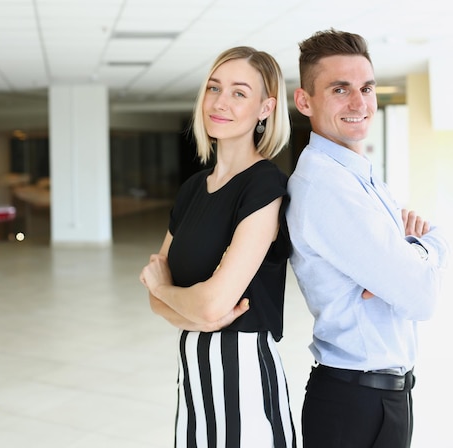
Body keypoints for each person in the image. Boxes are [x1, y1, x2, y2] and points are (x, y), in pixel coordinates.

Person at [286, 29, 452, 448]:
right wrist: (418, 253)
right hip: (355, 404)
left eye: (366, 88)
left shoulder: (356, 173)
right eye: (340, 89)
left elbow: (431, 239)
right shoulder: (327, 187)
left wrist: (412, 252)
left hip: (378, 397)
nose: (359, 103)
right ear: (304, 101)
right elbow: (421, 298)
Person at [139, 46, 296, 448]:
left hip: (241, 375)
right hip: (192, 369)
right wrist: (175, 302)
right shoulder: (193, 189)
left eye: (239, 93)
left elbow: (192, 301)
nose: (220, 102)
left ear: (266, 108)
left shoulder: (265, 185)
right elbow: (164, 302)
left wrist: (164, 292)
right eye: (214, 88)